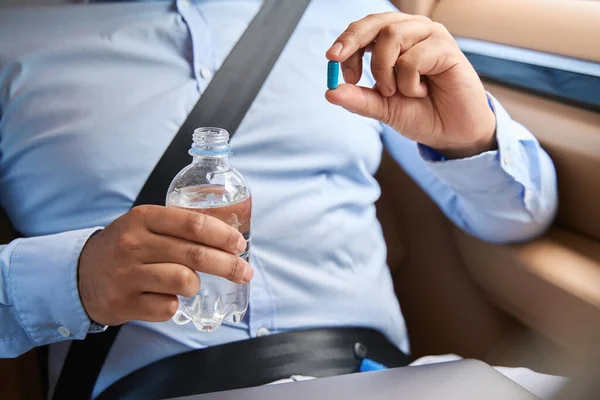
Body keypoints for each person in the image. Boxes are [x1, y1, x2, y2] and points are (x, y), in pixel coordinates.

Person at [0, 0, 559, 398]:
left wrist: (471, 139)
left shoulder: (353, 18)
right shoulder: (11, 39)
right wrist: (73, 279)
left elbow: (515, 218)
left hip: (397, 382)